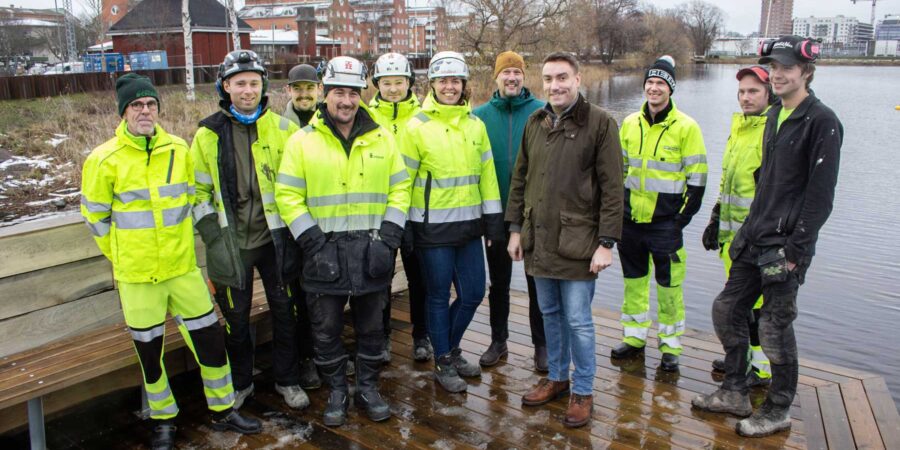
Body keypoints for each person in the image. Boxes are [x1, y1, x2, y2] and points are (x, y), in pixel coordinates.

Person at [80, 73, 260, 450]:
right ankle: (163, 419)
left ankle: (224, 408)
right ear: (124, 111)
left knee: (211, 340)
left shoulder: (179, 148)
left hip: (183, 270)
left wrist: (214, 242)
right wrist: (124, 258)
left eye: (150, 104)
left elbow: (195, 199)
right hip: (137, 277)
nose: (145, 111)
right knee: (150, 354)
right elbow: (96, 219)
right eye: (137, 105)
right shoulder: (103, 159)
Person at [692, 35, 842, 438]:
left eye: (785, 67)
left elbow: (820, 197)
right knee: (727, 308)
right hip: (754, 236)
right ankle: (735, 391)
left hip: (786, 245)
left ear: (806, 71)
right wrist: (740, 230)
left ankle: (778, 409)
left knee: (775, 326)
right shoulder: (775, 116)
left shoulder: (822, 121)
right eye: (773, 67)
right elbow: (766, 183)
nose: (777, 74)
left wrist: (796, 252)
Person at [275, 56, 411, 427]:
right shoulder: (302, 141)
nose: (346, 101)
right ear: (324, 93)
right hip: (324, 255)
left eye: (353, 93)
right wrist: (312, 242)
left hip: (372, 251)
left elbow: (400, 187)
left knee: (371, 330)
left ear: (360, 95)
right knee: (325, 330)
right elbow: (287, 195)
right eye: (338, 93)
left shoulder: (382, 137)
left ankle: (367, 387)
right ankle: (337, 390)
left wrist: (389, 238)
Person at [506, 52, 624, 428]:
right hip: (538, 239)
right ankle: (557, 378)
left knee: (578, 320)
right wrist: (514, 230)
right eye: (548, 79)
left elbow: (612, 189)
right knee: (550, 314)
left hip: (578, 243)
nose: (554, 86)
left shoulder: (601, 123)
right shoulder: (535, 121)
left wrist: (606, 242)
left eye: (562, 78)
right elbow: (520, 180)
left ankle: (583, 390)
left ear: (577, 79)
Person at [191, 50, 307, 410]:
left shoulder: (285, 129)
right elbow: (197, 191)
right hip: (231, 244)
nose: (247, 90)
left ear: (263, 86)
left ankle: (287, 379)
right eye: (239, 83)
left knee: (285, 311)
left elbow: (298, 182)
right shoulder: (207, 134)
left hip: (276, 239)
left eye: (254, 83)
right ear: (225, 87)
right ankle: (240, 383)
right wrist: (213, 235)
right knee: (236, 319)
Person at [402, 51, 505, 393]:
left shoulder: (476, 125)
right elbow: (402, 181)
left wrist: (492, 222)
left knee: (474, 292)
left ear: (464, 85)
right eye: (443, 81)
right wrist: (404, 226)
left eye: (455, 81)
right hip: (431, 230)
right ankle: (444, 360)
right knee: (436, 296)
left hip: (469, 228)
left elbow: (487, 176)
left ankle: (448, 349)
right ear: (431, 84)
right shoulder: (415, 126)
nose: (449, 87)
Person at [612, 55, 708, 372]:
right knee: (634, 284)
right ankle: (635, 338)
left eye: (660, 83)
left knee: (669, 289)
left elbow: (697, 181)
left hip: (666, 225)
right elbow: (616, 173)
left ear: (670, 88)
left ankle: (670, 347)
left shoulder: (687, 127)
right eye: (650, 82)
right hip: (631, 224)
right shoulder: (628, 124)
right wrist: (618, 215)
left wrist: (680, 221)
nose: (654, 88)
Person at [472, 51, 547, 371]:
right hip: (496, 215)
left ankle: (541, 345)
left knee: (537, 284)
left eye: (517, 72)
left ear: (524, 76)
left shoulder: (541, 112)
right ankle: (498, 340)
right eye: (507, 73)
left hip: (534, 216)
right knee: (499, 283)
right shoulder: (479, 116)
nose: (512, 77)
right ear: (496, 77)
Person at [702, 65, 774, 387]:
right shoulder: (739, 128)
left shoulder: (772, 130)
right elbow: (728, 180)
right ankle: (742, 358)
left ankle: (761, 369)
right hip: (733, 240)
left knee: (756, 308)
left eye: (753, 91)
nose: (745, 97)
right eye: (742, 92)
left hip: (757, 242)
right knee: (738, 307)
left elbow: (772, 192)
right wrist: (716, 215)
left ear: (769, 93)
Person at [367, 52, 432, 363]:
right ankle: (382, 337)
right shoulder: (366, 116)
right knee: (380, 277)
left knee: (420, 278)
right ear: (377, 84)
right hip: (380, 212)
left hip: (416, 211)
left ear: (410, 82)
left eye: (399, 82)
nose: (393, 89)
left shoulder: (423, 116)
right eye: (387, 83)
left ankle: (421, 336)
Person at [282, 62, 324, 389]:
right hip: (293, 225)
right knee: (301, 297)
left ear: (319, 89)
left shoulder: (331, 119)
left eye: (310, 88)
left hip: (326, 222)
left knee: (327, 295)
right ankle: (307, 359)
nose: (304, 94)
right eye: (298, 89)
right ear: (289, 91)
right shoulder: (281, 126)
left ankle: (328, 354)